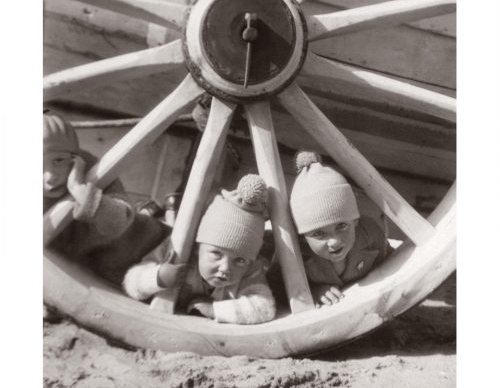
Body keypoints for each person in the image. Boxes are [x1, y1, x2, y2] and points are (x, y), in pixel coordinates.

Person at [123, 174, 277, 324]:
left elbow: (265, 307)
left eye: (240, 260)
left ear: (251, 261)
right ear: (198, 247)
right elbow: (130, 281)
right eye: (217, 254)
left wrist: (215, 310)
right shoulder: (178, 249)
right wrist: (158, 277)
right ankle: (161, 209)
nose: (225, 268)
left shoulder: (251, 270)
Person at [43, 112, 168, 288]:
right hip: (109, 278)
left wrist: (79, 190)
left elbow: (119, 221)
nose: (50, 176)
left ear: (75, 159)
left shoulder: (95, 172)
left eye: (58, 160)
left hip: (152, 246)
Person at [289, 151, 392, 307]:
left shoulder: (369, 233)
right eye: (318, 233)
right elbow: (277, 286)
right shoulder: (294, 255)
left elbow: (390, 263)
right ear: (303, 237)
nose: (334, 241)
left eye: (342, 226)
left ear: (355, 221)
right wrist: (314, 290)